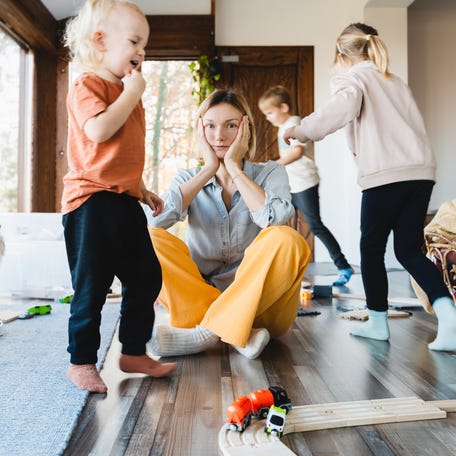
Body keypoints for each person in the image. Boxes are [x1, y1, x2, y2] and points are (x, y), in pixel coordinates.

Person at [284, 22, 456, 351]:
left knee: (371, 249)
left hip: (386, 175)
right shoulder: (394, 82)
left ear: (341, 54)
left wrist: (301, 130)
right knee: (408, 250)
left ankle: (378, 323)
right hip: (420, 173)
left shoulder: (354, 78)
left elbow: (338, 111)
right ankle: (450, 318)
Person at [61, 0, 177, 393]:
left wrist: (140, 188)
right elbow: (98, 132)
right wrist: (131, 94)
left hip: (123, 200)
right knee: (92, 287)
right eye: (134, 42)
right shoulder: (88, 84)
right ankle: (81, 361)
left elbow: (119, 154)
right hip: (90, 203)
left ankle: (132, 351)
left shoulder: (128, 91)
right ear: (100, 41)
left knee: (146, 276)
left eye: (144, 45)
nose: (141, 52)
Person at [145, 89, 310, 359]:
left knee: (288, 239)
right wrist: (208, 170)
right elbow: (156, 221)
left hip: (262, 308)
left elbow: (275, 220)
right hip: (198, 302)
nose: (219, 136)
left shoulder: (271, 172)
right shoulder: (188, 177)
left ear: (246, 130)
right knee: (149, 239)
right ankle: (239, 333)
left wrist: (234, 168)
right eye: (210, 126)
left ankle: (207, 333)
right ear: (200, 130)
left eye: (231, 126)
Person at [259, 86, 353, 286]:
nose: (268, 117)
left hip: (304, 183)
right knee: (279, 223)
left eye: (270, 112)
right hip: (291, 184)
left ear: (283, 107)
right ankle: (282, 269)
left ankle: (343, 265)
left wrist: (270, 167)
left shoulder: (294, 123)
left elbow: (297, 152)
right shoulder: (282, 127)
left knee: (315, 225)